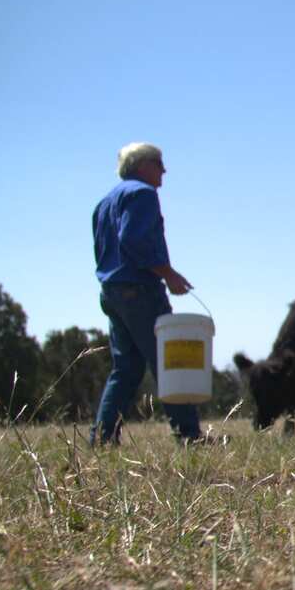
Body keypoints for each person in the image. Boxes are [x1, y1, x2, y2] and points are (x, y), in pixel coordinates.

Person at [90, 142, 203, 445]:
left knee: (125, 369)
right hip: (139, 292)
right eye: (158, 163)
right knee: (168, 361)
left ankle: (102, 438)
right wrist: (169, 275)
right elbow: (134, 240)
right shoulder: (142, 194)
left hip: (112, 292)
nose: (163, 170)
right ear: (142, 165)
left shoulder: (105, 202)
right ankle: (189, 435)